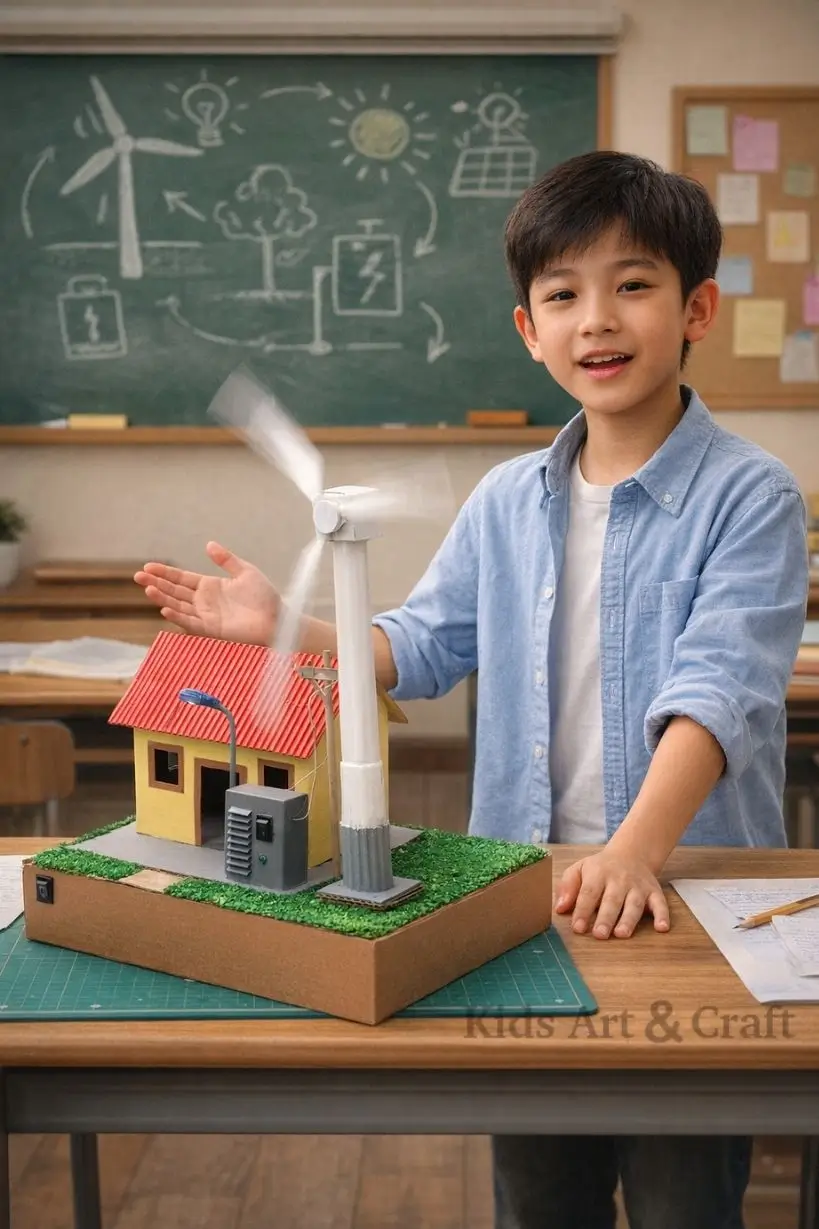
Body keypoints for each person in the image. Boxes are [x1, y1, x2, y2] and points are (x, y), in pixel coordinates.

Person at [136, 150, 809, 1229]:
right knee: (539, 1189)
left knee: (688, 1191)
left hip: (683, 889)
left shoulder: (751, 495)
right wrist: (294, 628)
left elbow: (718, 692)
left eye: (633, 285)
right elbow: (423, 643)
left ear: (699, 308)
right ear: (527, 330)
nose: (598, 319)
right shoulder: (509, 499)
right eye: (563, 294)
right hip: (526, 892)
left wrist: (634, 853)